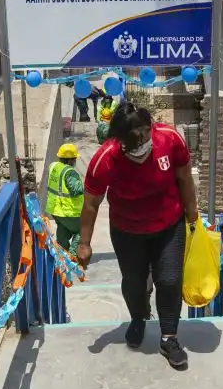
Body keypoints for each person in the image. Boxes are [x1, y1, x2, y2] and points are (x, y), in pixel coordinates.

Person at [76, 100, 199, 370]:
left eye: (144, 136)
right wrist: (84, 244)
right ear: (118, 140)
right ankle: (138, 317)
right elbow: (91, 204)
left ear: (149, 128)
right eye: (132, 142)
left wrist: (193, 218)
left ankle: (169, 337)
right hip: (127, 230)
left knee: (169, 279)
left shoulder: (170, 139)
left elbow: (184, 180)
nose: (141, 145)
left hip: (169, 224)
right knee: (134, 281)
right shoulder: (104, 160)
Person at [45, 141, 85, 250]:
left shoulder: (53, 166)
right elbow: (76, 190)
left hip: (55, 210)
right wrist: (87, 185)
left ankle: (62, 253)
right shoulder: (69, 172)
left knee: (63, 230)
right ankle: (73, 256)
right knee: (82, 230)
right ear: (71, 160)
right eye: (75, 159)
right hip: (69, 211)